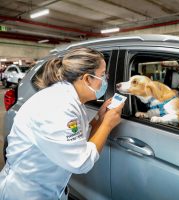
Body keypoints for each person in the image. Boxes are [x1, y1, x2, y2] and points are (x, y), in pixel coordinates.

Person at [0, 47, 124, 200]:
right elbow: (81, 162)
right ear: (86, 79)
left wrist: (100, 119)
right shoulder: (57, 105)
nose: (105, 80)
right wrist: (107, 125)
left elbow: (80, 140)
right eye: (102, 75)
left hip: (50, 189)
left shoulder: (71, 99)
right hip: (27, 192)